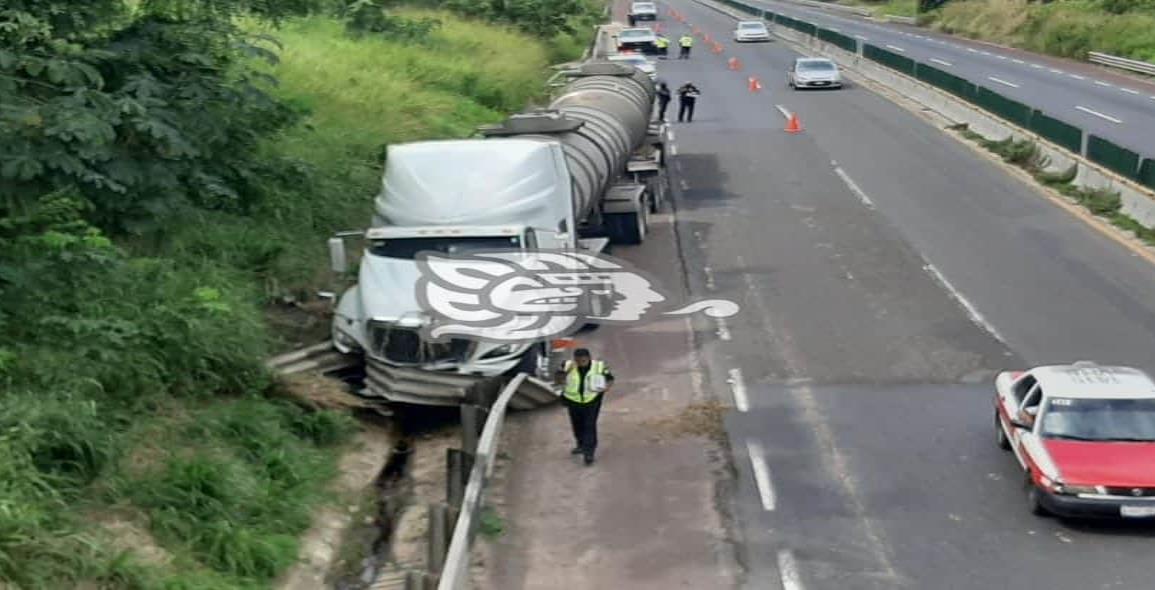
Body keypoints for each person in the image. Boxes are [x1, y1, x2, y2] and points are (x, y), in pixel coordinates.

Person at [555, 348, 614, 466]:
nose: (580, 363)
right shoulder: (567, 365)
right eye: (578, 361)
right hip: (573, 401)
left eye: (583, 361)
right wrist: (564, 373)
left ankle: (589, 453)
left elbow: (610, 379)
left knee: (589, 425)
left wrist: (606, 388)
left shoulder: (599, 366)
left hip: (592, 401)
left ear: (588, 358)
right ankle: (581, 445)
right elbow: (558, 380)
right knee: (577, 425)